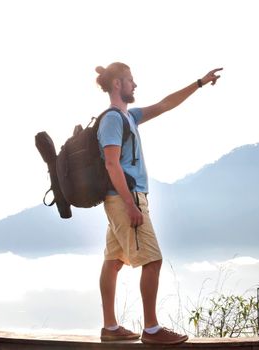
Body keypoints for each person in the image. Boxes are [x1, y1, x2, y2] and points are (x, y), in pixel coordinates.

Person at [95, 62, 223, 344]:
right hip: (126, 199)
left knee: (113, 261)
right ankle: (151, 330)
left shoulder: (129, 117)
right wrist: (131, 205)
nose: (135, 84)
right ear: (117, 84)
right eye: (130, 80)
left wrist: (199, 83)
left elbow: (166, 104)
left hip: (121, 199)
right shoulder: (113, 120)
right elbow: (112, 164)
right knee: (153, 260)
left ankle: (110, 327)